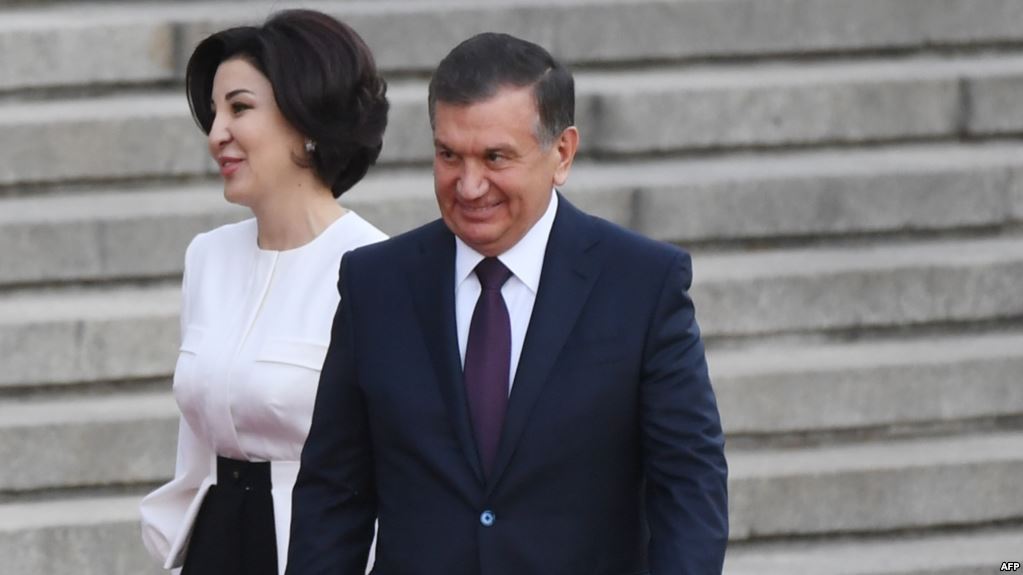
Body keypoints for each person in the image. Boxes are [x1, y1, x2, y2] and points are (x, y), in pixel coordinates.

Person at [288, 32, 728, 575]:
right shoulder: (375, 284)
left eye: (495, 157)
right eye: (449, 155)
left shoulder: (642, 284)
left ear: (561, 153)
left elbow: (689, 484)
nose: (469, 186)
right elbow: (333, 494)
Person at [139, 9, 389, 575]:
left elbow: (393, 466)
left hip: (319, 552)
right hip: (214, 546)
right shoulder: (208, 257)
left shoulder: (375, 268)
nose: (216, 135)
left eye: (240, 108)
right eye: (214, 113)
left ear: (306, 117)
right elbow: (194, 453)